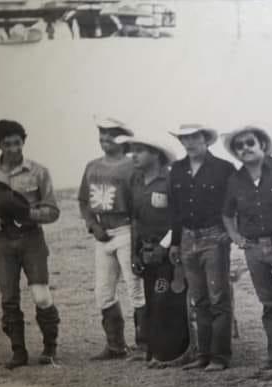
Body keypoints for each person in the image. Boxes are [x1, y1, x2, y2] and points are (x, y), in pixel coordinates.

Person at [0, 120, 61, 369]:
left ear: (24, 141)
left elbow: (53, 210)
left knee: (41, 295)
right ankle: (18, 352)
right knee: (9, 298)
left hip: (32, 238)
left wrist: (26, 214)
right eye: (6, 143)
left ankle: (50, 347)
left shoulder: (38, 171)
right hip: (2, 240)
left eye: (17, 142)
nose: (13, 148)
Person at [222, 126, 272, 371]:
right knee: (270, 304)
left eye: (249, 143)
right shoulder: (235, 180)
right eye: (239, 146)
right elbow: (227, 213)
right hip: (254, 250)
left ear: (262, 145)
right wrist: (235, 236)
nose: (245, 148)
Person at [116, 134, 189, 366]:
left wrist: (164, 247)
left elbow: (177, 218)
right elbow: (135, 220)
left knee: (167, 299)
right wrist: (134, 253)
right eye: (132, 150)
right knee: (151, 300)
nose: (133, 155)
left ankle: (172, 353)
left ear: (156, 154)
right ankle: (153, 350)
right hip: (146, 253)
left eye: (140, 150)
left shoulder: (169, 179)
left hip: (170, 252)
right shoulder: (135, 181)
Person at [168, 123, 236, 372]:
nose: (189, 143)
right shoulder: (176, 169)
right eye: (184, 138)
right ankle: (203, 354)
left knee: (218, 297)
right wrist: (175, 242)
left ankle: (220, 356)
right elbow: (174, 210)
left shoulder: (224, 169)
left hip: (214, 237)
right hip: (187, 239)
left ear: (205, 139)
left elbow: (232, 204)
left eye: (194, 137)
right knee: (198, 299)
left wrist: (229, 234)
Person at [78, 117, 143, 361]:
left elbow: (139, 205)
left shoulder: (131, 166)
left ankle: (145, 344)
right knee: (104, 292)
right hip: (102, 235)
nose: (105, 139)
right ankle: (115, 345)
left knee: (136, 288)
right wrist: (92, 225)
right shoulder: (92, 166)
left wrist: (137, 238)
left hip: (126, 230)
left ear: (123, 138)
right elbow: (84, 201)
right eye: (102, 134)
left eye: (111, 134)